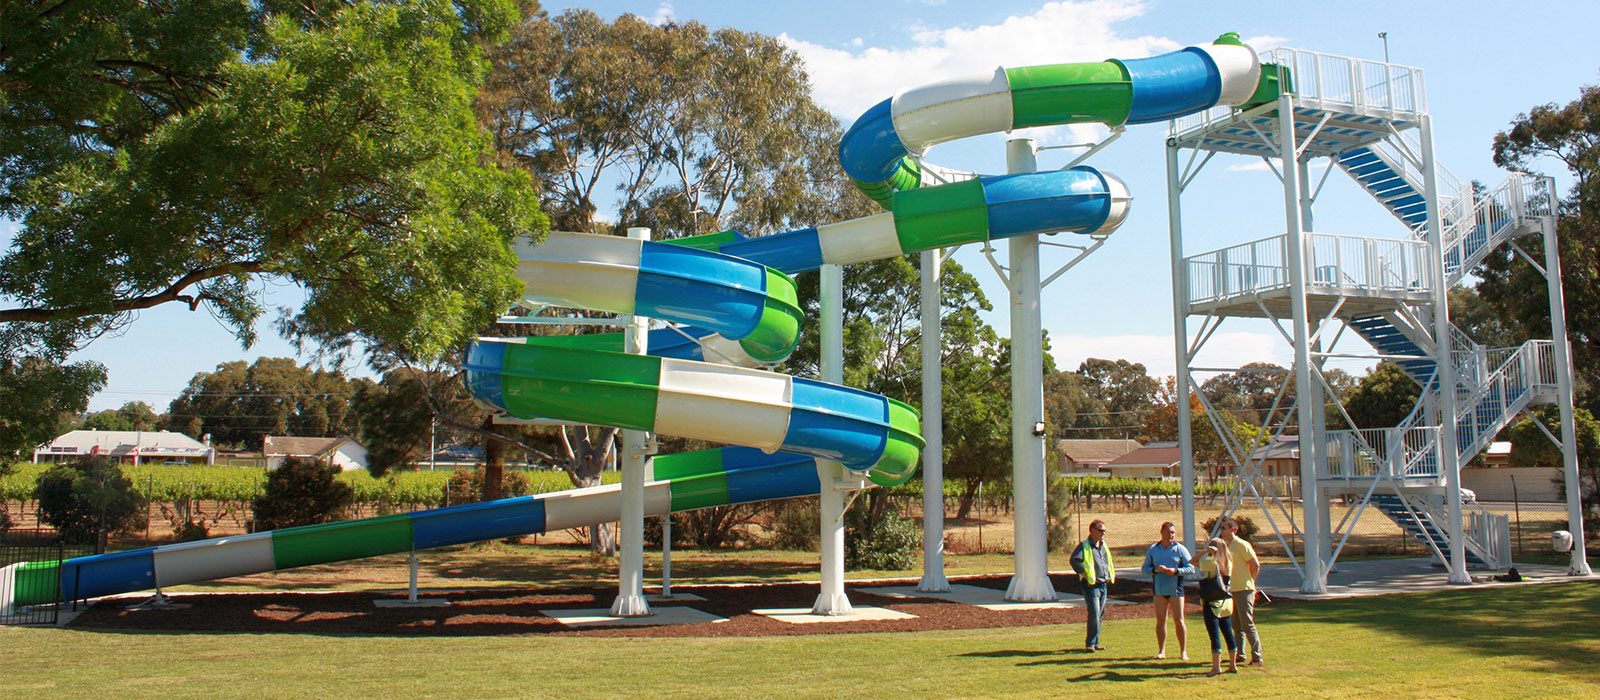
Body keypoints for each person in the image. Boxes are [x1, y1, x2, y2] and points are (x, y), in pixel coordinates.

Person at [1140, 521, 1194, 660]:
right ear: (1162, 532)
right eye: (1169, 532)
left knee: (1179, 620)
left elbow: (1191, 568)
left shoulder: (1180, 549)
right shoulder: (1153, 549)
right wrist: (1155, 570)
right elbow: (1144, 569)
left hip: (1176, 589)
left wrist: (1176, 571)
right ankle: (1161, 651)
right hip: (1159, 590)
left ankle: (1183, 652)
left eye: (1173, 532)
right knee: (1160, 620)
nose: (1171, 535)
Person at [1219, 516, 1263, 667]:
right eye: (1221, 528)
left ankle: (1257, 657)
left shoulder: (1241, 544)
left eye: (1224, 528)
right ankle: (1240, 654)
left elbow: (1255, 565)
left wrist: (1251, 582)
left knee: (1247, 623)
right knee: (1236, 624)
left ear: (1234, 529)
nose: (1222, 530)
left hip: (1244, 588)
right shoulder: (1226, 546)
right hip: (1232, 589)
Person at [1192, 537, 1237, 676]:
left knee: (1214, 635)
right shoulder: (1229, 562)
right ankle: (1232, 664)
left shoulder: (1210, 562)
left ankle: (1216, 667)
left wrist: (1205, 551)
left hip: (1213, 602)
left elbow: (1192, 561)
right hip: (1227, 602)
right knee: (1229, 632)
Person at [1070, 518, 1115, 651]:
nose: (1103, 533)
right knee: (1094, 613)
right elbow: (1074, 560)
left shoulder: (1103, 545)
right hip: (1091, 586)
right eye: (1101, 530)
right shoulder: (1084, 546)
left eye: (1104, 531)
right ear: (1092, 530)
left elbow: (1107, 562)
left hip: (1103, 585)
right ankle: (1090, 644)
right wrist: (1084, 573)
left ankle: (1095, 642)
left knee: (1100, 615)